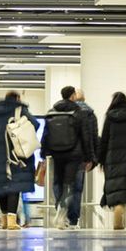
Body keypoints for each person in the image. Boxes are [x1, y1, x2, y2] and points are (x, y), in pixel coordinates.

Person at [42, 85, 98, 229]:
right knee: (74, 186)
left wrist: (44, 153)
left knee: (58, 183)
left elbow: (46, 134)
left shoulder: (52, 111)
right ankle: (72, 219)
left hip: (56, 154)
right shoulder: (81, 112)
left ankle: (60, 209)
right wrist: (90, 157)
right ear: (72, 96)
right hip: (75, 155)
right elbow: (86, 136)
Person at [0, 91, 39, 230]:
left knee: (0, 188)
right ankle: (12, 221)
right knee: (14, 187)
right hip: (16, 155)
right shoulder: (20, 110)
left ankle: (3, 220)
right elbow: (35, 125)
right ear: (18, 98)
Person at [97, 91, 126, 230]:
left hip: (112, 160)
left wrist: (101, 160)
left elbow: (104, 140)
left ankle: (118, 219)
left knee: (117, 190)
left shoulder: (110, 117)